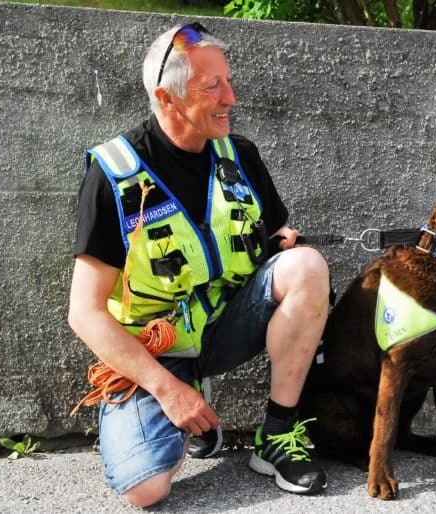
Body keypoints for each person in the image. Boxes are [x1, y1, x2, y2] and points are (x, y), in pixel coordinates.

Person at [68, 23, 329, 507]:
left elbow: (266, 236)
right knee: (145, 491)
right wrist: (169, 391)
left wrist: (282, 244)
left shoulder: (239, 156)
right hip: (155, 348)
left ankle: (275, 435)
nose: (230, 97)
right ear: (167, 98)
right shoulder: (115, 176)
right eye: (213, 87)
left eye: (228, 82)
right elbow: (84, 314)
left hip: (224, 323)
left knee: (306, 266)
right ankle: (183, 401)